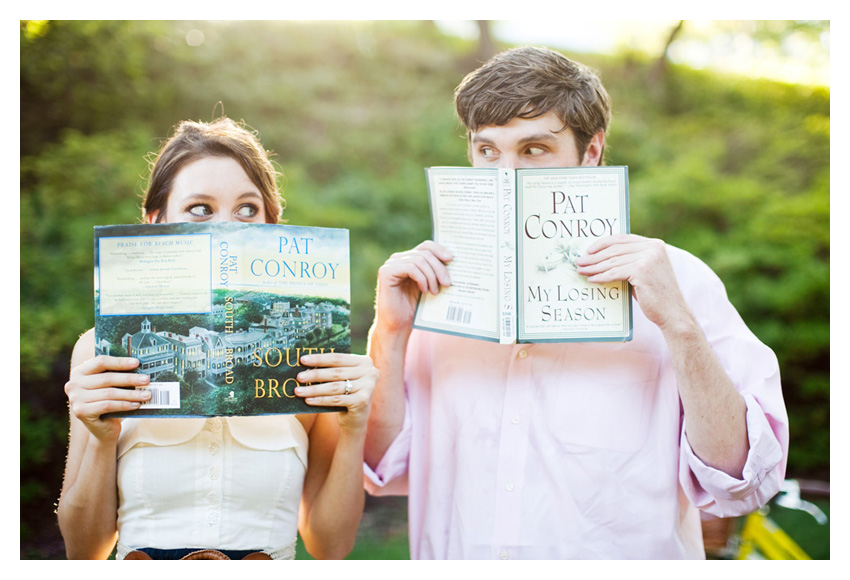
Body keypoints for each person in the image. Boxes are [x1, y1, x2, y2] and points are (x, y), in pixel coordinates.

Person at [363, 47, 789, 559]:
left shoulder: (680, 279)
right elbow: (382, 466)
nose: (507, 173)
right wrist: (388, 332)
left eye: (535, 149)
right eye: (488, 151)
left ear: (591, 152)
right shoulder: (440, 284)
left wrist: (678, 324)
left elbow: (744, 482)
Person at [57, 117, 378, 560]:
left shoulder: (310, 360)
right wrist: (101, 438)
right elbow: (82, 550)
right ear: (157, 221)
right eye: (200, 209)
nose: (227, 227)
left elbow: (331, 547)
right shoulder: (100, 350)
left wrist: (354, 426)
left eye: (247, 209)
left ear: (271, 223)